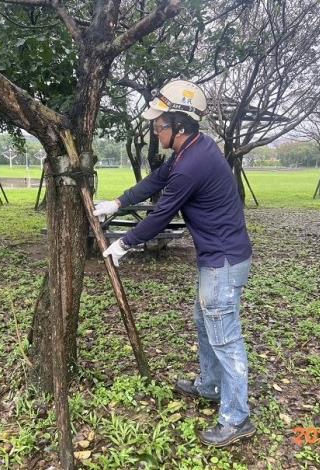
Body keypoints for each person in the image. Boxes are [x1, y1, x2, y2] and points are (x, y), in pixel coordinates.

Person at [93, 80, 255, 447]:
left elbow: (161, 215)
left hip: (223, 262)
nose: (155, 130)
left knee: (224, 336)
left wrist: (125, 242)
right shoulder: (190, 151)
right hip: (219, 257)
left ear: (179, 127)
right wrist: (118, 203)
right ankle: (210, 385)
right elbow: (155, 181)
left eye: (160, 125)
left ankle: (237, 417)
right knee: (206, 322)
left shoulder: (191, 165)